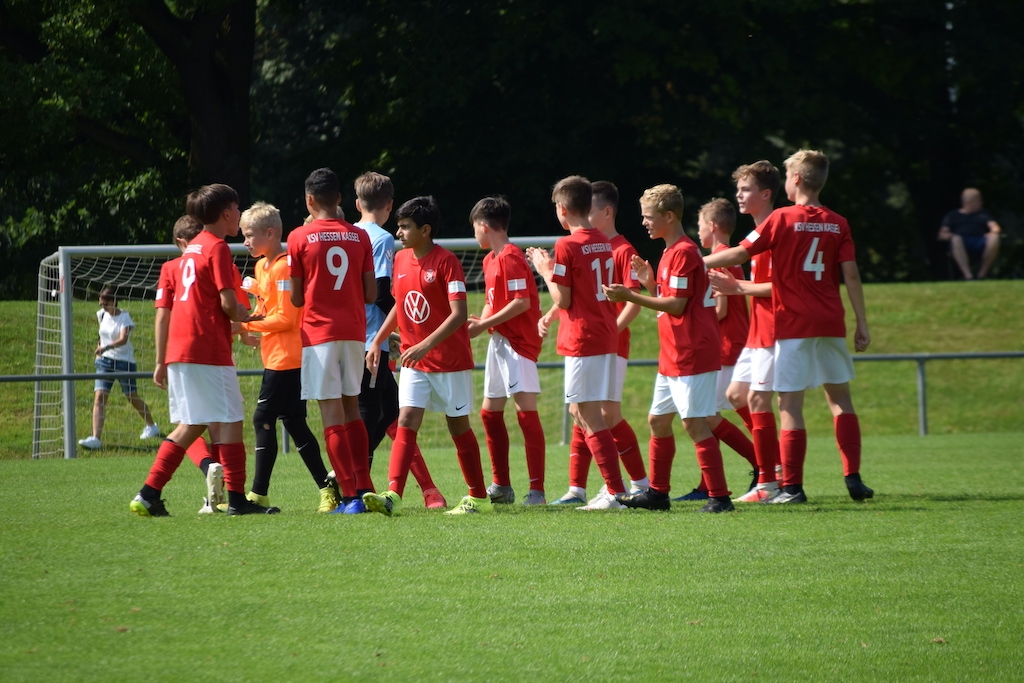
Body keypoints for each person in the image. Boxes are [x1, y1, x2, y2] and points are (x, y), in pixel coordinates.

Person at [704, 149, 873, 504]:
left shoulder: (782, 217)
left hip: (793, 322)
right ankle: (853, 478)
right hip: (830, 320)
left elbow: (740, 253)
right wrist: (861, 322)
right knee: (840, 399)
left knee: (789, 405)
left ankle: (791, 486)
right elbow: (852, 275)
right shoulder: (838, 222)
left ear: (795, 178)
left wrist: (695, 261)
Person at [130, 184, 279, 517]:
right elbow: (228, 304)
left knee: (192, 424)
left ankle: (148, 494)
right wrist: (248, 316)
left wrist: (160, 359)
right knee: (231, 420)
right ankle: (237, 500)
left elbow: (171, 311)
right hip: (207, 348)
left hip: (180, 349)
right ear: (226, 213)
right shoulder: (217, 247)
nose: (239, 214)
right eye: (237, 209)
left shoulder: (191, 250)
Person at [604, 184, 734, 513]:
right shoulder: (670, 251)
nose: (644, 222)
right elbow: (673, 300)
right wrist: (650, 284)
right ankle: (657, 495)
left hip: (692, 351)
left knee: (695, 423)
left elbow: (677, 306)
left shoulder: (684, 252)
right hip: (674, 352)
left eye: (649, 217)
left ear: (670, 216)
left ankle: (720, 497)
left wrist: (631, 295)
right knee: (658, 420)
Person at [362, 196, 492, 516]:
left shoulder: (447, 262)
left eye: (405, 227)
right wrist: (378, 340)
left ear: (426, 230)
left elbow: (459, 314)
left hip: (449, 362)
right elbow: (399, 304)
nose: (399, 233)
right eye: (398, 226)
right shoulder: (400, 259)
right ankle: (393, 495)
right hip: (414, 361)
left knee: (457, 426)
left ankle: (479, 498)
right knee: (406, 419)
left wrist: (425, 345)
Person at [527, 176, 630, 511]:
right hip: (604, 333)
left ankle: (615, 493)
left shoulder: (567, 245)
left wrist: (544, 270)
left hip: (583, 337)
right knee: (579, 411)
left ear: (562, 209)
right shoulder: (602, 239)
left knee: (589, 415)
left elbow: (564, 299)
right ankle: (594, 489)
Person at [352, 171, 446, 510]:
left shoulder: (348, 234)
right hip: (369, 343)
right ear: (390, 205)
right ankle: (349, 483)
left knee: (391, 415)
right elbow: (381, 292)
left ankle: (429, 491)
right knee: (378, 416)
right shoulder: (380, 239)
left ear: (357, 203)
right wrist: (404, 330)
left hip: (350, 338)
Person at [238, 202, 338, 513]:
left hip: (288, 358)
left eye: (250, 235)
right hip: (275, 356)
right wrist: (252, 313)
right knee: (295, 423)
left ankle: (258, 494)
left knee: (262, 418)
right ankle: (327, 488)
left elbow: (286, 318)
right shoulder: (262, 266)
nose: (245, 241)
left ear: (270, 233)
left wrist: (244, 324)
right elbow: (267, 310)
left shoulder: (284, 266)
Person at [288, 168, 377, 514]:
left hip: (319, 334)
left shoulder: (298, 237)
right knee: (352, 408)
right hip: (353, 332)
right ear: (339, 198)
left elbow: (297, 298)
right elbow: (371, 293)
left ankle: (351, 496)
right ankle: (365, 486)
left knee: (330, 415)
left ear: (309, 200)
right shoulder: (360, 236)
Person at [707, 161, 784, 503]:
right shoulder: (756, 233)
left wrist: (736, 286)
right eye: (738, 189)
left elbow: (783, 287)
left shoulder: (776, 228)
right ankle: (771, 470)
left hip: (775, 330)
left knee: (770, 402)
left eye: (746, 189)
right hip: (757, 331)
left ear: (765, 194)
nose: (739, 194)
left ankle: (773, 479)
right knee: (739, 396)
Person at [466, 196, 547, 506]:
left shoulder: (511, 256)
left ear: (484, 225)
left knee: (526, 413)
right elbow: (492, 301)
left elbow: (521, 303)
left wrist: (485, 324)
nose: (475, 234)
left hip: (518, 344)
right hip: (499, 341)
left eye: (475, 227)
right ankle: (501, 485)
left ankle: (537, 492)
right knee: (489, 413)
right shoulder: (490, 259)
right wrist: (480, 323)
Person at [693, 199, 760, 495]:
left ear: (711, 226)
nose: (697, 232)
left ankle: (765, 464)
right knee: (711, 414)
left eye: (699, 226)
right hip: (732, 344)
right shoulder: (729, 257)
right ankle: (707, 484)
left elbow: (719, 310)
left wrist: (691, 322)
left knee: (706, 415)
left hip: (726, 346)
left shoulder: (719, 259)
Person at [77, 286, 160, 450]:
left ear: (114, 301)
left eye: (106, 304)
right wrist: (100, 350)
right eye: (101, 304)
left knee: (131, 396)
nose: (103, 307)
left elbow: (123, 339)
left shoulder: (125, 318)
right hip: (104, 362)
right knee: (99, 397)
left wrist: (106, 347)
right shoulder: (101, 315)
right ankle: (95, 438)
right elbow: (102, 336)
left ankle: (152, 426)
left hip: (124, 363)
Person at [937, 187, 1001, 280]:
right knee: (956, 239)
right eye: (979, 200)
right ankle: (968, 276)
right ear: (970, 202)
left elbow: (995, 227)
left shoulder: (984, 214)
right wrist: (951, 236)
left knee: (994, 237)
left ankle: (982, 274)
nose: (982, 203)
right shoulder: (952, 215)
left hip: (980, 241)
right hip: (962, 242)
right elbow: (942, 233)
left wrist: (992, 232)